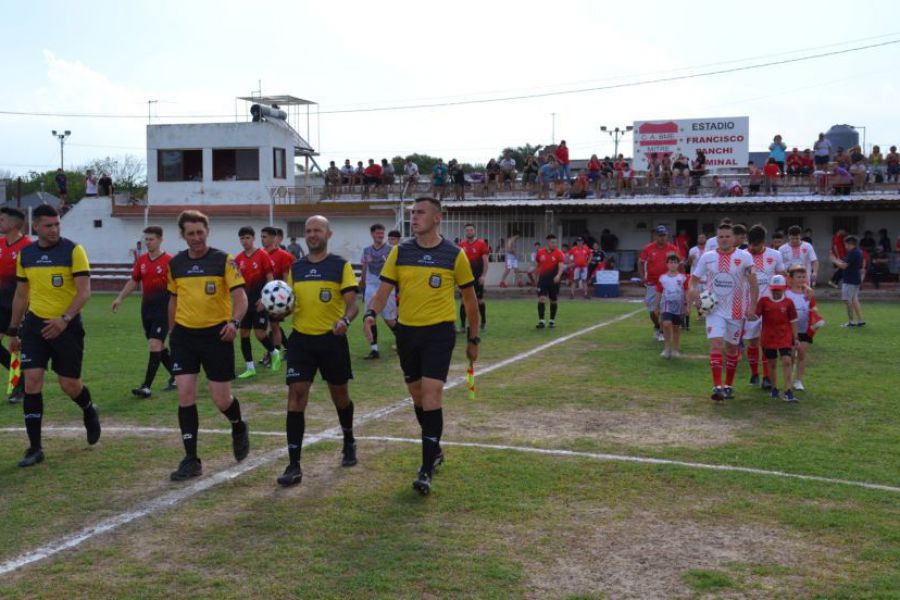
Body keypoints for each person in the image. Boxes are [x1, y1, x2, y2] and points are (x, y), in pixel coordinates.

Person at [364, 197, 479, 495]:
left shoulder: (454, 254)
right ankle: (435, 447)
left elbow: (470, 300)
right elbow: (383, 290)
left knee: (431, 394)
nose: (413, 217)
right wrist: (370, 314)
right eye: (411, 213)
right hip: (407, 333)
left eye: (420, 213)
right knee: (417, 396)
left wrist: (473, 338)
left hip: (439, 333)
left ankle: (426, 469)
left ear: (437, 218)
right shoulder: (400, 252)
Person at [8, 204, 99, 467]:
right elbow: (21, 294)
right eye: (48, 225)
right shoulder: (25, 255)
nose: (55, 229)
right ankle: (35, 448)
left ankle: (88, 409)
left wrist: (64, 319)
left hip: (67, 327)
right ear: (35, 227)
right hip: (35, 326)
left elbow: (84, 291)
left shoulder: (73, 250)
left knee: (69, 385)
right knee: (32, 381)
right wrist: (14, 330)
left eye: (57, 224)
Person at [166, 210, 249, 481]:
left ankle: (238, 425)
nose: (196, 238)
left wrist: (234, 323)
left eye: (200, 232)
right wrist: (172, 331)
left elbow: (241, 298)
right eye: (190, 233)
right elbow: (173, 300)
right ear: (183, 235)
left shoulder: (223, 261)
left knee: (220, 398)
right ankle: (191, 460)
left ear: (207, 232)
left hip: (217, 336)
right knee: (185, 395)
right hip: (185, 338)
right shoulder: (175, 264)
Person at [276, 215, 360, 487]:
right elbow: (289, 304)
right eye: (309, 231)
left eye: (318, 230)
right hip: (301, 341)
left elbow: (352, 304)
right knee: (296, 396)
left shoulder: (340, 266)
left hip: (331, 341)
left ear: (328, 234)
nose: (312, 234)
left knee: (340, 397)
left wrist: (345, 321)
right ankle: (294, 465)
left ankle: (348, 439)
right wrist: (275, 309)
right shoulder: (296, 268)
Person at [690, 222, 758, 402]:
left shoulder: (745, 257)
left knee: (732, 348)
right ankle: (717, 386)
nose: (724, 240)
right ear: (716, 238)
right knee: (717, 345)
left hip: (737, 311)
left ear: (734, 238)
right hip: (714, 309)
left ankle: (728, 385)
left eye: (727, 236)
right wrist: (694, 293)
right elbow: (693, 279)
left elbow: (753, 283)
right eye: (720, 237)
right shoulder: (707, 257)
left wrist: (752, 306)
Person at [111, 226, 176, 398]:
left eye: (151, 239)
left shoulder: (170, 261)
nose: (148, 242)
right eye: (146, 239)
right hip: (146, 310)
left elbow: (180, 286)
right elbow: (134, 281)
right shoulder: (142, 261)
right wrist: (120, 298)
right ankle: (177, 375)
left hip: (164, 310)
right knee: (159, 347)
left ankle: (146, 386)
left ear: (160, 239)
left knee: (154, 345)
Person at [742, 224, 786, 389]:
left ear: (763, 242)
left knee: (767, 342)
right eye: (751, 245)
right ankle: (754, 373)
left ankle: (767, 377)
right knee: (753, 342)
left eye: (757, 245)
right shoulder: (742, 255)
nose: (753, 248)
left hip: (769, 306)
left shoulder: (775, 255)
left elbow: (782, 278)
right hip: (749, 306)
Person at [234, 227, 277, 379]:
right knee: (244, 334)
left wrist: (265, 299)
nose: (245, 241)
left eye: (247, 237)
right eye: (242, 238)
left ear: (253, 238)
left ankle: (275, 353)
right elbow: (236, 283)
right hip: (245, 304)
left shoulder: (262, 255)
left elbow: (270, 279)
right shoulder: (238, 259)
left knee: (260, 334)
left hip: (260, 302)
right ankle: (250, 367)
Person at [0, 207, 31, 403]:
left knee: (15, 348)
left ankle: (20, 388)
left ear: (14, 224)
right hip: (0, 304)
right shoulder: (1, 244)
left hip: (18, 306)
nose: (0, 223)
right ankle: (20, 381)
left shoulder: (27, 247)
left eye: (2, 220)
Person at [754, 274, 798, 402]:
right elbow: (755, 315)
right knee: (772, 364)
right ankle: (774, 388)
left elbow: (793, 320)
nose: (776, 292)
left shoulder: (789, 303)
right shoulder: (764, 301)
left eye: (779, 289)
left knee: (787, 361)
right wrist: (749, 314)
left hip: (785, 336)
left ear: (784, 288)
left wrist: (795, 337)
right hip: (768, 337)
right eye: (774, 289)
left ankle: (788, 390)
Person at [359, 223, 397, 359]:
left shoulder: (391, 250)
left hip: (386, 286)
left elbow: (396, 268)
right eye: (378, 233)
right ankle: (374, 350)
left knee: (390, 320)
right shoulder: (366, 250)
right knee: (370, 317)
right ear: (372, 234)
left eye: (382, 233)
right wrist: (362, 282)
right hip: (371, 286)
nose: (380, 235)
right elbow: (364, 267)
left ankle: (403, 341)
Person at [639, 226, 681, 341]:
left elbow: (680, 264)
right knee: (652, 311)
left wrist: (681, 279)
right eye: (660, 235)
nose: (662, 237)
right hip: (652, 283)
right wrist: (642, 277)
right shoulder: (648, 248)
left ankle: (662, 331)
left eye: (664, 235)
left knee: (665, 309)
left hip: (669, 284)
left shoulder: (673, 249)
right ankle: (657, 325)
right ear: (655, 236)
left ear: (667, 236)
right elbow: (641, 262)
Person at [261, 226, 296, 366]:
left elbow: (286, 278)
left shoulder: (284, 256)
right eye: (261, 236)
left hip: (277, 299)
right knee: (264, 328)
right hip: (261, 298)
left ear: (274, 238)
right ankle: (276, 351)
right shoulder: (260, 254)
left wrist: (284, 297)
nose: (262, 240)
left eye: (265, 236)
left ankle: (274, 355)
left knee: (274, 326)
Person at [785, 265, 819, 392]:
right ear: (791, 278)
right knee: (791, 354)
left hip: (805, 329)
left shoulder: (808, 294)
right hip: (789, 329)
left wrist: (815, 319)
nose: (801, 279)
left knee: (802, 353)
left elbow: (814, 308)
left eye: (803, 277)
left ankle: (799, 380)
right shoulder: (786, 293)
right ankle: (788, 378)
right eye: (798, 277)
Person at [654, 254, 688, 358]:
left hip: (679, 306)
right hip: (666, 304)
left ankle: (675, 349)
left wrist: (687, 305)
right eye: (670, 262)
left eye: (675, 262)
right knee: (666, 324)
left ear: (678, 264)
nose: (673, 264)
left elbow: (686, 291)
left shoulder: (683, 277)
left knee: (676, 328)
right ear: (667, 264)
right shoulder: (662, 278)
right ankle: (666, 348)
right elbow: (659, 292)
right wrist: (656, 306)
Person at [458, 223, 489, 332]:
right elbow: (458, 262)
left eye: (471, 230)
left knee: (479, 300)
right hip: (465, 277)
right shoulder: (461, 245)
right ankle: (462, 326)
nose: (469, 232)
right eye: (467, 230)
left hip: (477, 277)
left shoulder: (481, 244)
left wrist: (484, 275)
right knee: (463, 301)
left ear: (474, 231)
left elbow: (485, 261)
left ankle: (483, 322)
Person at [531, 234, 566, 328]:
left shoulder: (559, 253)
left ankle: (552, 321)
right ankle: (541, 321)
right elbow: (538, 266)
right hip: (542, 280)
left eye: (556, 242)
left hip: (554, 281)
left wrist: (558, 275)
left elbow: (561, 266)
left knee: (553, 300)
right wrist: (535, 277)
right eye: (553, 242)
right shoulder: (540, 252)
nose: (555, 244)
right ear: (548, 242)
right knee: (542, 299)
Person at [831, 235, 865, 327]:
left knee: (847, 300)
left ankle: (851, 322)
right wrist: (837, 260)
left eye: (846, 245)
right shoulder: (857, 252)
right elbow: (844, 263)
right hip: (855, 279)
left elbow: (843, 266)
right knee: (854, 300)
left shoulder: (854, 253)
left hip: (850, 280)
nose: (845, 247)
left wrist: (834, 260)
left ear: (850, 244)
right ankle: (861, 320)